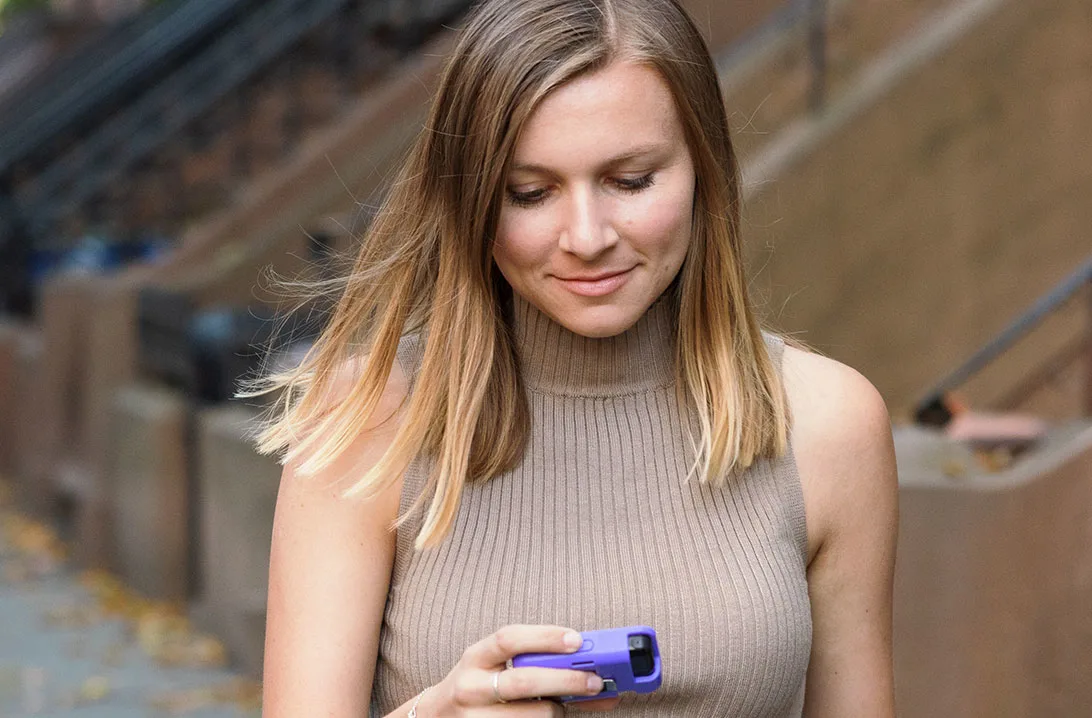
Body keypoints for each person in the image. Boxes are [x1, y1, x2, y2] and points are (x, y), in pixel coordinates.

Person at [246, 0, 899, 715]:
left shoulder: (828, 424)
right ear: (474, 202)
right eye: (531, 192)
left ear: (704, 169)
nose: (587, 236)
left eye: (631, 180)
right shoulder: (368, 423)